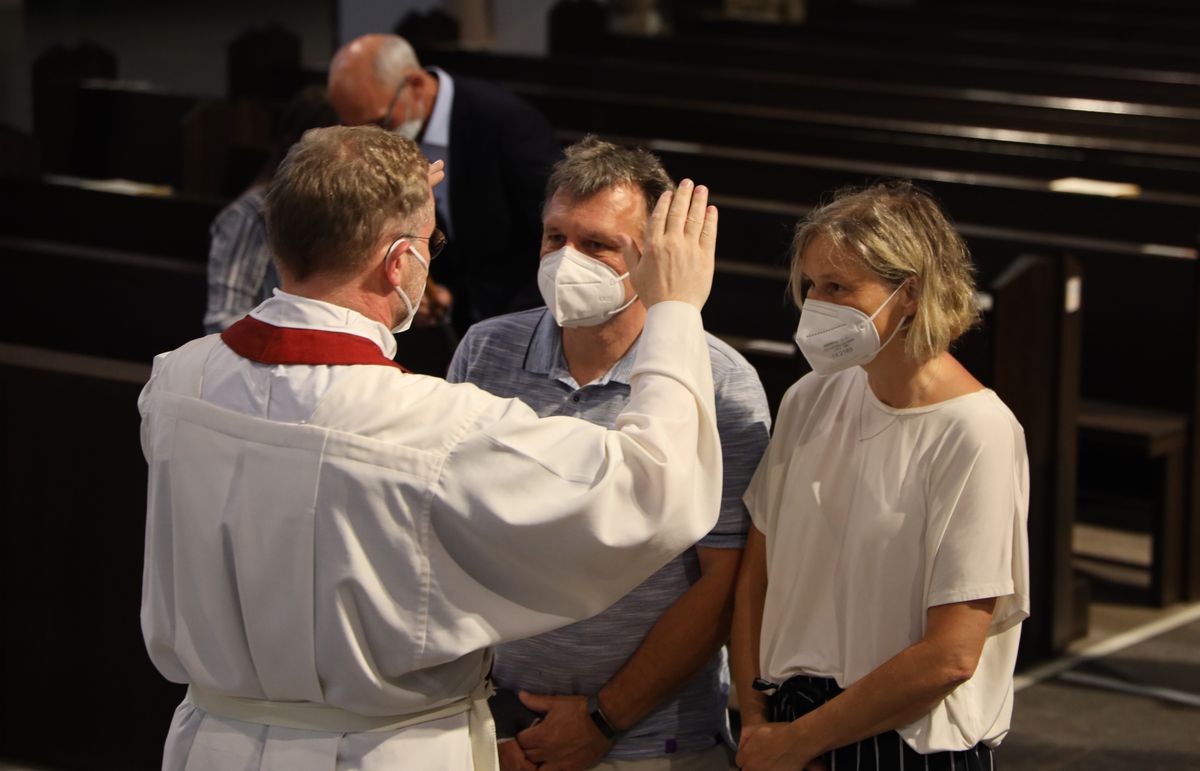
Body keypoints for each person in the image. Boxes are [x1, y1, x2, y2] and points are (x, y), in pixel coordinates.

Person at [138, 125, 723, 771]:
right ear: (399, 263)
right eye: (428, 245)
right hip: (378, 749)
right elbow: (655, 491)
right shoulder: (435, 427)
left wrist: (372, 200)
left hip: (214, 740)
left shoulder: (176, 381)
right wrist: (675, 309)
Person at [448, 136, 771, 771]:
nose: (567, 260)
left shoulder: (720, 381)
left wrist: (603, 719)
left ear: (654, 258)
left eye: (597, 244)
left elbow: (725, 581)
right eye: (555, 237)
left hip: (656, 743)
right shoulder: (486, 351)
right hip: (499, 729)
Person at [730, 181, 1030, 771]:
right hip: (785, 718)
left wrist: (799, 741)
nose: (815, 306)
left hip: (905, 738)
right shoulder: (810, 398)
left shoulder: (976, 432)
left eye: (837, 287)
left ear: (910, 292)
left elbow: (950, 655)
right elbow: (755, 579)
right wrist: (756, 718)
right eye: (811, 286)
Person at [327, 33, 562, 336]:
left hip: (525, 314)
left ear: (415, 85)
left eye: (381, 123)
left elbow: (556, 233)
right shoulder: (396, 129)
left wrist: (509, 328)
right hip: (455, 322)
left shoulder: (505, 121)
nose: (373, 140)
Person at [202, 85, 338, 334]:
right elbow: (223, 321)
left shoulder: (346, 218)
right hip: (271, 356)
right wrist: (298, 347)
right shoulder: (250, 216)